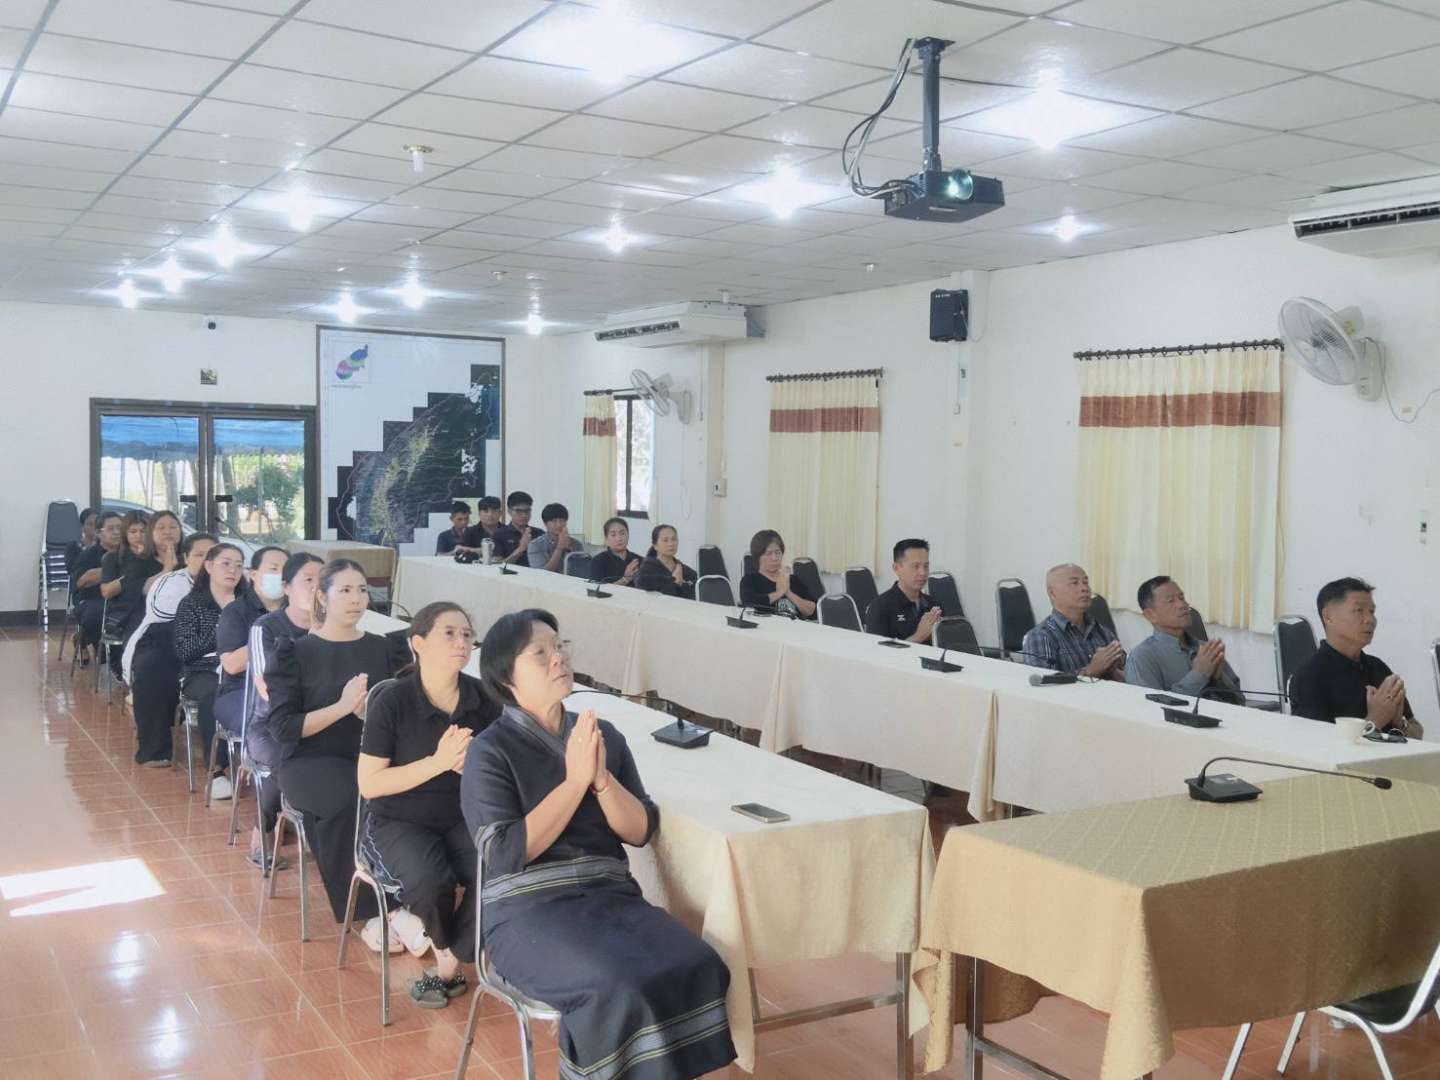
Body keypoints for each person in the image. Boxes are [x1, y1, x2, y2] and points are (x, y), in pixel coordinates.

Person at [462, 609, 736, 1079]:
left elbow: (639, 831)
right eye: (540, 653)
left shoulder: (601, 736)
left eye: (560, 646)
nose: (558, 658)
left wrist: (602, 779)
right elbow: (504, 853)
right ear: (507, 678)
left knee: (698, 964)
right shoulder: (490, 750)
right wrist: (574, 781)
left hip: (608, 898)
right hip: (525, 913)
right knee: (616, 986)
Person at [358, 602, 499, 1007]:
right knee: (430, 881)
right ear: (417, 643)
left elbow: (500, 767)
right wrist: (438, 763)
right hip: (398, 818)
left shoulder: (484, 699)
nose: (461, 642)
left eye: (467, 634)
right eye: (449, 633)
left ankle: (452, 955)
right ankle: (446, 951)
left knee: (501, 866)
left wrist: (475, 765)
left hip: (463, 816)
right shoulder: (393, 700)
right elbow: (370, 784)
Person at [266, 560, 410, 927]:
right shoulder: (296, 653)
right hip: (309, 760)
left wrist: (369, 716)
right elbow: (283, 728)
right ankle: (370, 911)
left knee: (414, 791)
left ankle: (409, 896)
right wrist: (342, 708)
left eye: (362, 590)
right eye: (345, 590)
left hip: (370, 754)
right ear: (322, 597)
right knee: (351, 797)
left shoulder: (384, 648)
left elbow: (399, 714)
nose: (356, 599)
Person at [246, 552, 325, 874]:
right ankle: (263, 830)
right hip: (272, 725)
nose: (317, 587)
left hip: (324, 722)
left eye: (323, 580)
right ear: (287, 587)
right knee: (287, 755)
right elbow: (267, 687)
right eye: (308, 580)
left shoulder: (337, 627)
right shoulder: (266, 627)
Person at [1289, 577, 1422, 737]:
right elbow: (1315, 745)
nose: (1370, 620)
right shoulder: (1309, 676)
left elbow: (1418, 732)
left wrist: (1399, 722)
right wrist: (1375, 720)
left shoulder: (1377, 667)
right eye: (1359, 610)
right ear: (1328, 616)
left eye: (1372, 612)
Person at [126, 532, 217, 767]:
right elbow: (167, 619)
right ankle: (155, 748)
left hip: (216, 649)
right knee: (153, 668)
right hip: (165, 639)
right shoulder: (172, 582)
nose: (206, 561)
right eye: (199, 555)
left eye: (212, 555)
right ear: (186, 558)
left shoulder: (234, 581)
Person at [173, 542, 249, 800]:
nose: (233, 570)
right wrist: (223, 626)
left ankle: (257, 760)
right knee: (214, 696)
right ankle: (216, 770)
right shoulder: (192, 603)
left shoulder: (249, 603)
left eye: (238, 565)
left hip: (242, 670)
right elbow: (185, 650)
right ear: (208, 566)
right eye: (225, 564)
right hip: (202, 672)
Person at [1125, 576, 1243, 704]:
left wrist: (1219, 678)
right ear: (1150, 615)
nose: (1182, 605)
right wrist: (1199, 674)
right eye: (1171, 601)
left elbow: (1240, 701)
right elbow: (1151, 709)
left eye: (1182, 598)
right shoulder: (1141, 658)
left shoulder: (1206, 650)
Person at [1021, 563, 1125, 679]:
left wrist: (1113, 671)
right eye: (1074, 583)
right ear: (1052, 593)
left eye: (1086, 582)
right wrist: (1091, 670)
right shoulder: (1040, 636)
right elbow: (1043, 684)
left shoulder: (1101, 630)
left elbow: (1127, 673)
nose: (1084, 588)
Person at [100, 510, 158, 678]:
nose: (138, 536)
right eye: (133, 531)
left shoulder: (156, 557)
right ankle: (131, 668)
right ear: (126, 534)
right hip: (122, 612)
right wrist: (131, 576)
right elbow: (107, 592)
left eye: (143, 531)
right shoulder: (113, 558)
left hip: (152, 608)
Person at [864, 538, 939, 640]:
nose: (923, 573)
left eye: (926, 566)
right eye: (915, 566)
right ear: (896, 568)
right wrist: (919, 636)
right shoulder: (880, 607)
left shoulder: (934, 604)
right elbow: (877, 649)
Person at [71, 510, 121, 663]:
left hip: (122, 598)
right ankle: (106, 653)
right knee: (95, 614)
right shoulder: (89, 555)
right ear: (99, 533)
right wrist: (116, 569)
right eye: (111, 529)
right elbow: (81, 581)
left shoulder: (130, 553)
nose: (117, 532)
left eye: (120, 528)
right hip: (93, 598)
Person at [741, 529, 817, 619]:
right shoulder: (750, 580)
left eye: (778, 553)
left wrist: (788, 593)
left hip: (796, 626)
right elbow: (749, 605)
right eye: (769, 554)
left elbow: (813, 611)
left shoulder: (793, 580)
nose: (774, 558)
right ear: (758, 557)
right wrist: (779, 593)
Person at [634, 524, 697, 599]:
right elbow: (641, 583)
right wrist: (672, 580)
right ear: (655, 545)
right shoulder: (646, 569)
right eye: (665, 540)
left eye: (674, 539)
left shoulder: (688, 572)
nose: (671, 544)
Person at [527, 502, 582, 573]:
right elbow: (542, 574)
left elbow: (581, 571)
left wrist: (568, 550)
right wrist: (559, 549)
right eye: (554, 521)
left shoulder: (576, 544)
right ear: (545, 524)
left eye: (562, 521)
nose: (559, 525)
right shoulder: (535, 545)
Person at [590, 517, 643, 586]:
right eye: (613, 535)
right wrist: (625, 579)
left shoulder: (639, 560)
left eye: (622, 533)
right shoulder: (598, 561)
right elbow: (597, 590)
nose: (619, 538)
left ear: (628, 535)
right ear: (606, 539)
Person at [493, 491, 542, 565]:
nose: (524, 515)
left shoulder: (539, 533)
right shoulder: (499, 534)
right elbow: (498, 566)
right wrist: (521, 548)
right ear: (509, 511)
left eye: (527, 511)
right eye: (518, 511)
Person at [145, 510, 185, 594]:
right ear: (151, 533)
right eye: (161, 528)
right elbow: (143, 591)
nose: (167, 532)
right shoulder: (140, 561)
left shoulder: (190, 557)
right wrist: (167, 570)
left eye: (173, 527)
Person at [64, 508, 98, 579]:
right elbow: (71, 570)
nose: (95, 527)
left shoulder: (103, 546)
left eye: (97, 524)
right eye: (90, 524)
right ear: (82, 527)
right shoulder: (73, 546)